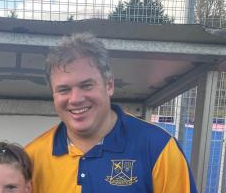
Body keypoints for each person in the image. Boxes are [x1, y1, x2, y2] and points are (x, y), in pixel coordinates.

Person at [25, 33, 197, 193]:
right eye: (64, 90)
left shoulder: (158, 147)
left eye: (86, 85)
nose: (75, 99)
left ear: (109, 85)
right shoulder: (32, 157)